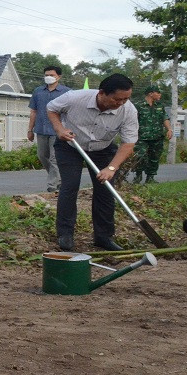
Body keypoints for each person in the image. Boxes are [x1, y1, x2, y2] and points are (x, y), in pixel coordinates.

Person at [46, 73, 139, 252]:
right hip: (70, 145)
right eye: (117, 99)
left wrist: (111, 168)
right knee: (70, 186)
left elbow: (128, 143)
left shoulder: (128, 111)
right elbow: (51, 108)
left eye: (126, 99)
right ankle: (65, 234)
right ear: (102, 93)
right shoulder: (75, 98)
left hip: (103, 148)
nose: (121, 103)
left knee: (105, 189)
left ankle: (103, 237)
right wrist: (59, 129)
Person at [27, 65, 70, 192]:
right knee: (42, 156)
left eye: (51, 75)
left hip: (58, 130)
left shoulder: (67, 92)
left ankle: (52, 186)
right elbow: (33, 111)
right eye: (46, 75)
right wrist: (30, 130)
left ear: (59, 76)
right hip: (41, 129)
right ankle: (58, 178)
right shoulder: (38, 91)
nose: (49, 77)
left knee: (54, 158)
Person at [132, 85, 172, 184]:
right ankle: (138, 176)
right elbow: (132, 120)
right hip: (141, 137)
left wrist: (169, 129)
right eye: (158, 92)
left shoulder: (159, 106)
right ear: (151, 93)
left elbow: (165, 118)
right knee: (140, 156)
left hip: (157, 136)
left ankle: (150, 178)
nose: (160, 94)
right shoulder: (138, 105)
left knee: (154, 157)